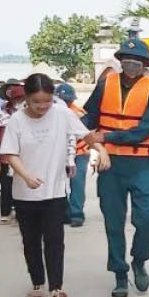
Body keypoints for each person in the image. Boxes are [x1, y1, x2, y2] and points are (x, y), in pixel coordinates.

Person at [0, 74, 109, 297]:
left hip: (54, 191)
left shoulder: (62, 114)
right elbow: (10, 154)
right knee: (31, 241)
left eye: (47, 101)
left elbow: (85, 135)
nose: (42, 107)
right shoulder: (17, 121)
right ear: (27, 99)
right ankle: (37, 282)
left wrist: (102, 150)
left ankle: (56, 287)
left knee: (55, 240)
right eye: (36, 102)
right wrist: (27, 176)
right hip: (25, 193)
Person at [80, 38, 149, 297]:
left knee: (147, 219)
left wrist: (106, 138)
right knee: (113, 222)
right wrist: (71, 125)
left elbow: (144, 130)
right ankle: (119, 273)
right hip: (111, 167)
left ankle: (139, 260)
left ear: (145, 64)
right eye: (127, 59)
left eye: (137, 61)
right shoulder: (106, 83)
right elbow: (90, 118)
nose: (131, 65)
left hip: (141, 165)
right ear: (120, 61)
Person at [0, 79, 25, 224]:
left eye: (19, 96)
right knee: (6, 184)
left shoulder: (29, 111)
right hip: (6, 153)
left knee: (21, 183)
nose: (17, 99)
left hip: (25, 154)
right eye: (14, 96)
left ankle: (20, 211)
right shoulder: (1, 112)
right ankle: (5, 211)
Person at [55, 83, 91, 228]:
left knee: (77, 183)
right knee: (59, 184)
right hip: (60, 153)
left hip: (80, 153)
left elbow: (81, 134)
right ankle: (65, 213)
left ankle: (77, 215)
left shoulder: (80, 113)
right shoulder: (53, 112)